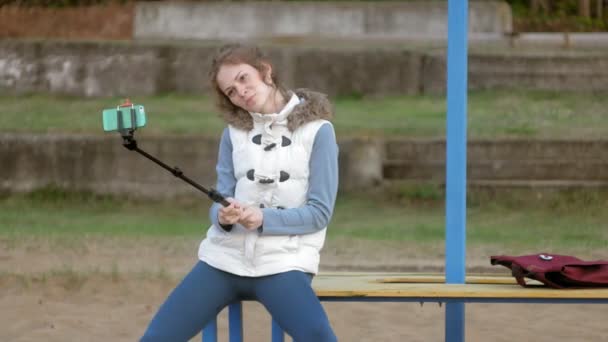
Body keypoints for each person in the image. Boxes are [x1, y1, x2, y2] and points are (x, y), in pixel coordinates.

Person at [140, 43, 339, 342]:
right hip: (223, 259)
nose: (240, 92)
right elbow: (221, 196)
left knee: (319, 337)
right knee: (156, 338)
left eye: (244, 78)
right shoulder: (233, 133)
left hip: (283, 263)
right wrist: (223, 215)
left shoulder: (318, 131)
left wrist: (262, 218)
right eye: (231, 91)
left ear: (266, 71)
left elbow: (319, 213)